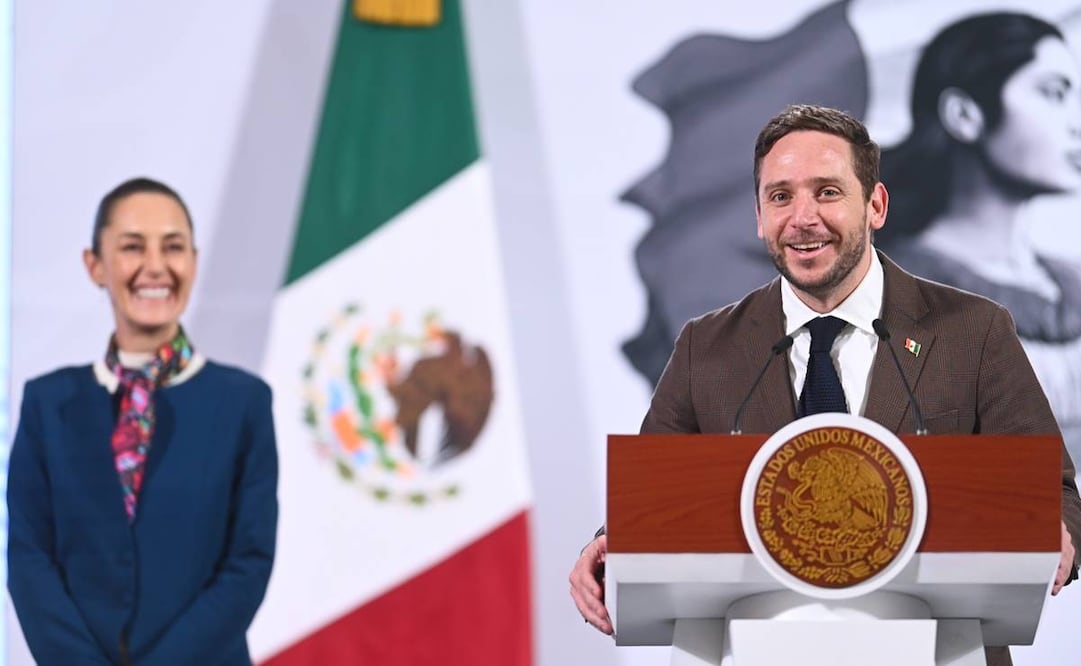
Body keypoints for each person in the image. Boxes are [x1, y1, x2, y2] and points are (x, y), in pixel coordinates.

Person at [568, 105, 1081, 666]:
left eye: (828, 192)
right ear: (759, 216)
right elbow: (654, 502)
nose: (802, 218)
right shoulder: (706, 347)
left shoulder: (973, 330)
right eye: (780, 196)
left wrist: (1057, 533)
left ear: (876, 205)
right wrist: (610, 545)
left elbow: (1054, 493)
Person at [7, 177, 278, 665]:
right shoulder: (48, 404)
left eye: (172, 247)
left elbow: (247, 564)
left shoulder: (243, 403)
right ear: (95, 265)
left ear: (193, 261)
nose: (155, 265)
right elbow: (28, 558)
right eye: (132, 247)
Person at [877, 12, 1081, 467]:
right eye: (1054, 94)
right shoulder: (892, 293)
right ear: (964, 115)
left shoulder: (1070, 278)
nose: (1076, 123)